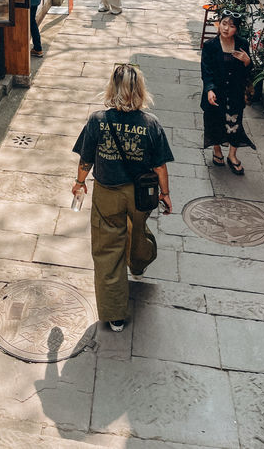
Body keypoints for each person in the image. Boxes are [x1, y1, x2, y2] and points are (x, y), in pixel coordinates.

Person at [72, 64, 173, 332]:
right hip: (141, 194)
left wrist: (79, 183)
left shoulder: (97, 121)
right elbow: (161, 166)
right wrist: (165, 194)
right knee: (138, 230)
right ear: (140, 90)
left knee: (107, 250)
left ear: (112, 89)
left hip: (107, 193)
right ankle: (139, 263)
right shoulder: (151, 124)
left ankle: (115, 314)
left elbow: (86, 158)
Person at [201, 9, 255, 175]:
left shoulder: (242, 44)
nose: (226, 29)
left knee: (234, 124)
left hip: (234, 93)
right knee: (214, 121)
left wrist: (248, 62)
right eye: (224, 24)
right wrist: (209, 89)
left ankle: (232, 155)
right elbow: (206, 70)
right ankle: (217, 150)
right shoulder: (210, 46)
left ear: (236, 29)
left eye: (231, 26)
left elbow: (247, 73)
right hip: (216, 93)